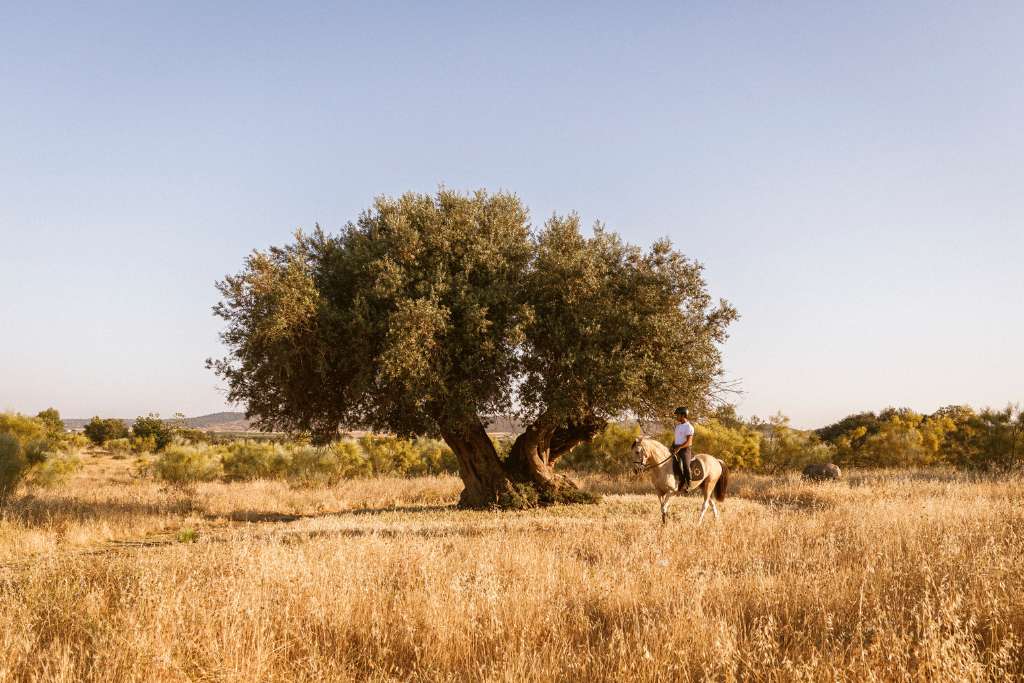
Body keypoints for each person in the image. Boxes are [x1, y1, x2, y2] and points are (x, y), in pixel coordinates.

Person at [672, 406, 695, 489]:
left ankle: (689, 484)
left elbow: (689, 442)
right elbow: (676, 439)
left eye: (677, 415)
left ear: (683, 415)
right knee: (674, 465)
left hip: (685, 449)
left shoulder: (689, 427)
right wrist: (672, 446)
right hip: (677, 448)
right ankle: (681, 480)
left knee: (685, 465)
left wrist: (679, 448)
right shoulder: (677, 427)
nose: (676, 417)